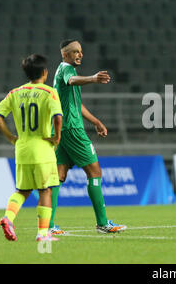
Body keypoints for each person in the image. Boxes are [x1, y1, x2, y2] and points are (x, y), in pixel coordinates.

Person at [49, 39, 125, 234]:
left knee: (58, 176)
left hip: (60, 129)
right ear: (65, 55)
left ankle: (47, 226)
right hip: (73, 129)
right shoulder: (67, 69)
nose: (79, 54)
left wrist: (96, 121)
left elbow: (76, 104)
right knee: (95, 173)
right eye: (75, 52)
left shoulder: (61, 71)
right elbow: (72, 80)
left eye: (81, 51)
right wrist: (92, 78)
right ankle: (102, 223)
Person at [0, 54, 63, 242]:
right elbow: (57, 117)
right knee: (45, 191)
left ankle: (8, 218)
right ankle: (42, 234)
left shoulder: (15, 93)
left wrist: (9, 136)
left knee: (22, 191)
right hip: (43, 149)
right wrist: (57, 137)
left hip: (22, 149)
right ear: (45, 72)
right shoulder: (49, 92)